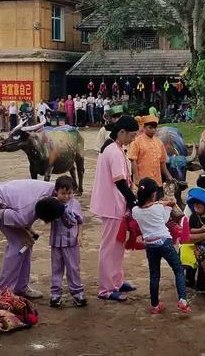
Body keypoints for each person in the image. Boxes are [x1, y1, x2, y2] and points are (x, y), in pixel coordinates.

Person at [0, 179, 69, 298]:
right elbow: (2, 214)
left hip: (12, 198)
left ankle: (20, 287)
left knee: (26, 245)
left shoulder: (55, 191)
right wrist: (28, 230)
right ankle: (3, 293)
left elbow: (25, 219)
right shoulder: (25, 214)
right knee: (18, 245)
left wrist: (29, 232)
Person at [90, 115, 140, 301]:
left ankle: (117, 281)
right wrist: (132, 200)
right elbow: (120, 183)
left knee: (118, 245)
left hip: (115, 204)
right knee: (109, 247)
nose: (134, 138)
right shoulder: (114, 151)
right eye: (132, 135)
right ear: (122, 132)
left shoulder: (116, 148)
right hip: (112, 204)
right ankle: (106, 288)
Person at [132, 177, 192, 313]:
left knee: (154, 275)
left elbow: (142, 208)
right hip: (164, 242)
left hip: (150, 245)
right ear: (153, 194)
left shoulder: (136, 210)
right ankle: (182, 299)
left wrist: (161, 204)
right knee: (178, 269)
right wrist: (168, 204)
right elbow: (165, 219)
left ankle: (155, 305)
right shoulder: (159, 208)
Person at [49, 176, 87, 308]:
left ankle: (77, 292)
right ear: (56, 192)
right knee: (56, 268)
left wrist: (80, 236)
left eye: (69, 193)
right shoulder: (52, 203)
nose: (66, 196)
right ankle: (55, 294)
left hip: (71, 242)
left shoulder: (75, 204)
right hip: (56, 242)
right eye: (63, 193)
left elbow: (80, 221)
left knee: (73, 268)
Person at [128, 115, 173, 199]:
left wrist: (168, 175)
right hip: (143, 181)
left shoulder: (159, 142)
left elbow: (162, 162)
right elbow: (133, 160)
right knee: (144, 206)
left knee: (158, 205)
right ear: (144, 127)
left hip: (157, 182)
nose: (153, 130)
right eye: (150, 127)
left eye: (155, 128)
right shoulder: (136, 141)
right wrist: (136, 178)